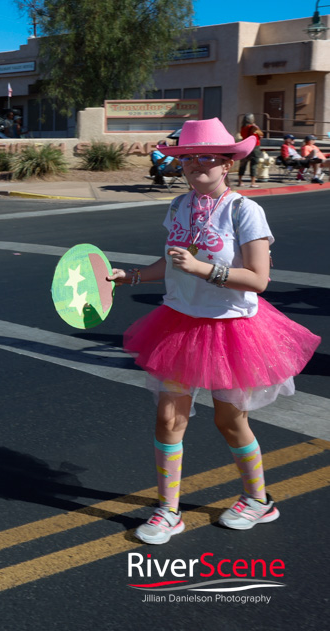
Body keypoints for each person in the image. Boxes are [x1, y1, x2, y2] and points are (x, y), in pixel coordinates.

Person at [105, 118, 320, 545]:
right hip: (180, 322)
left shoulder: (244, 209)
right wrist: (128, 276)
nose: (196, 165)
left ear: (226, 163)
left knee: (229, 421)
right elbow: (168, 263)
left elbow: (258, 279)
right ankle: (168, 511)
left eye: (207, 157)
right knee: (169, 419)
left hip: (232, 328)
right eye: (187, 158)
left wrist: (204, 269)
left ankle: (258, 500)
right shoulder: (179, 206)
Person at [235, 113, 263, 189]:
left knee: (243, 164)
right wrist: (257, 128)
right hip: (254, 146)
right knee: (253, 164)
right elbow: (261, 134)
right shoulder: (253, 127)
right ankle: (253, 182)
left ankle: (240, 181)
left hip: (245, 146)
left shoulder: (243, 127)